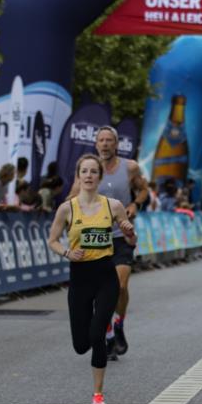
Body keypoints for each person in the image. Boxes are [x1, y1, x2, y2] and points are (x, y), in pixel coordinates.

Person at [48, 154, 135, 404]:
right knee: (80, 345)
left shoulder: (113, 206)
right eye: (83, 171)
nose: (88, 176)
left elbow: (130, 239)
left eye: (93, 172)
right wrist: (66, 252)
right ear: (78, 176)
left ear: (100, 177)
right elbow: (52, 240)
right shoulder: (67, 208)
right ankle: (98, 335)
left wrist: (129, 232)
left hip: (105, 276)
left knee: (97, 334)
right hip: (79, 278)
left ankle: (98, 394)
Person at [68, 125, 148, 358]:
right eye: (100, 140)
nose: (104, 144)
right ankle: (109, 330)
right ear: (95, 144)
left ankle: (118, 322)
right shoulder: (88, 169)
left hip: (121, 235)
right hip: (95, 238)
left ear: (116, 144)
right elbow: (73, 196)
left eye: (109, 140)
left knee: (121, 286)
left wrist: (135, 204)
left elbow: (143, 190)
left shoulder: (130, 167)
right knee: (100, 291)